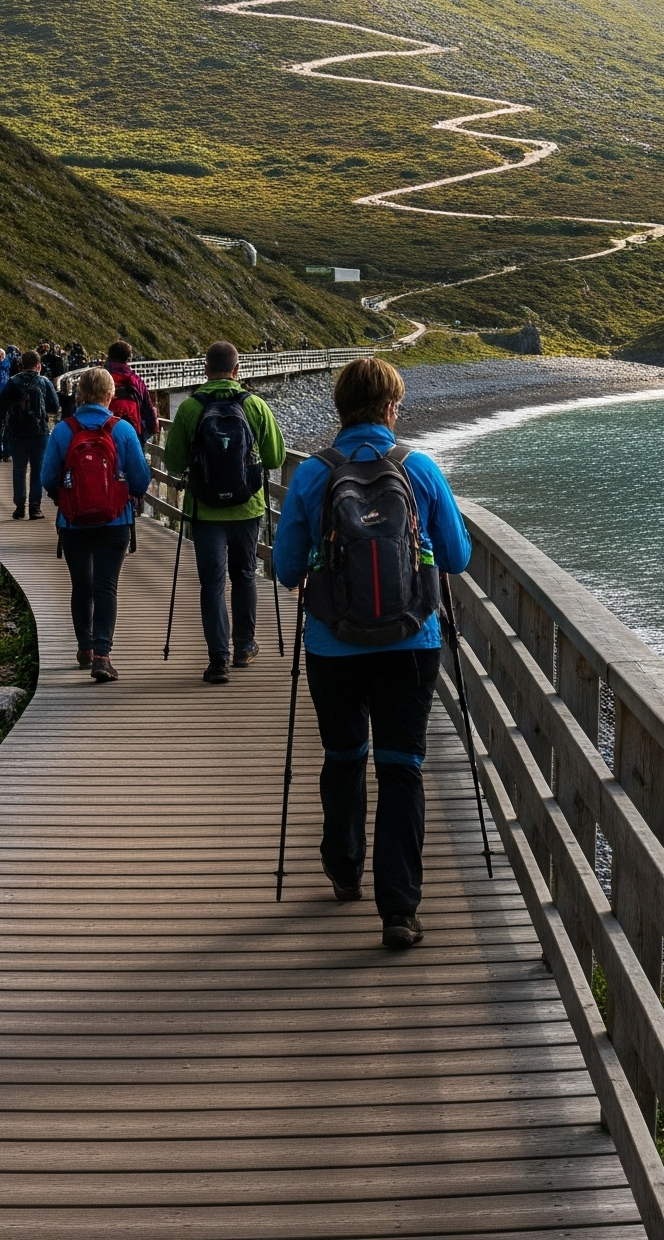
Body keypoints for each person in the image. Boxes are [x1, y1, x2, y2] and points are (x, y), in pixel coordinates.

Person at [272, 356, 470, 950]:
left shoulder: (312, 474)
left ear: (339, 408)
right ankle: (400, 911)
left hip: (333, 643)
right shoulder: (420, 468)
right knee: (402, 766)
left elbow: (284, 568)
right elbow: (456, 557)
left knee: (344, 754)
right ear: (390, 408)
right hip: (411, 642)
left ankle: (343, 867)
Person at [163, 342, 284, 684]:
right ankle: (245, 646)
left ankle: (219, 659)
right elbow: (275, 459)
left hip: (205, 509)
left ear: (205, 369)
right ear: (237, 369)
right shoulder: (255, 405)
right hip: (248, 507)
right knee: (244, 574)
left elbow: (172, 462)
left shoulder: (190, 408)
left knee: (212, 583)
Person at [42, 366, 150, 681]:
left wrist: (63, 498)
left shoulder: (63, 430)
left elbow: (46, 477)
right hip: (115, 520)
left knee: (82, 586)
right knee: (106, 587)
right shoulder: (123, 430)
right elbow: (141, 480)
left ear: (80, 394)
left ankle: (84, 647)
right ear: (109, 395)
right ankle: (103, 655)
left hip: (73, 523)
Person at [0, 350, 59, 521]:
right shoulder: (44, 381)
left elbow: (1, 404)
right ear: (39, 365)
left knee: (19, 468)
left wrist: (8, 422)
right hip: (39, 432)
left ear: (22, 364)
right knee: (37, 469)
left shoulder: (13, 381)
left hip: (16, 433)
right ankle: (35, 507)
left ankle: (19, 507)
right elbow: (54, 406)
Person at [106, 340, 159, 451]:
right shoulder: (136, 380)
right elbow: (148, 409)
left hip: (107, 436)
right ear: (128, 358)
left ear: (109, 357)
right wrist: (149, 430)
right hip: (133, 434)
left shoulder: (103, 378)